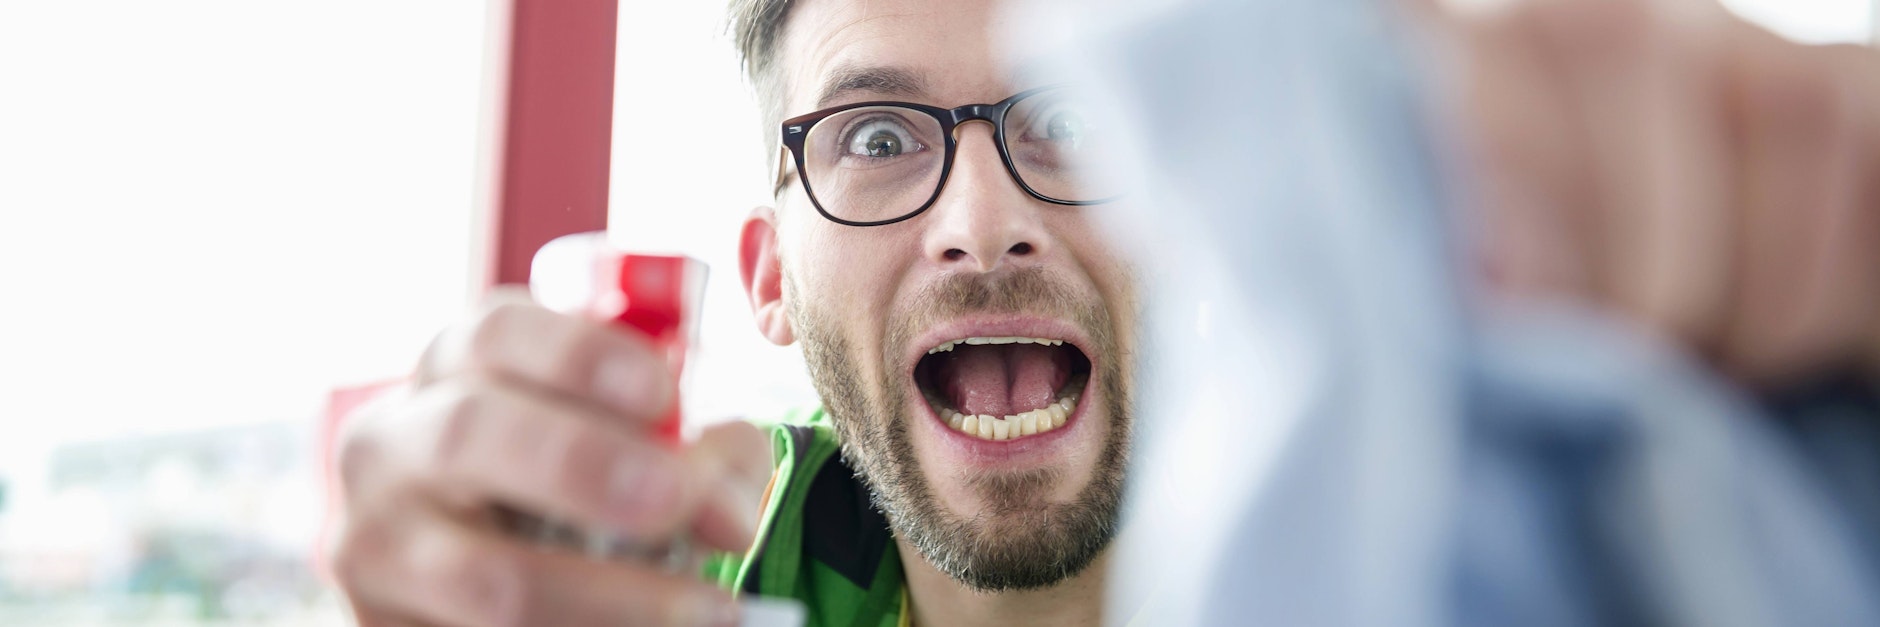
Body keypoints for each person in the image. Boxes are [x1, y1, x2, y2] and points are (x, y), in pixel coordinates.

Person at [327, 0, 1880, 625]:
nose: (979, 223)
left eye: (1069, 123)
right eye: (879, 137)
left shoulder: (1444, 545)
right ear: (769, 282)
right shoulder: (655, 578)